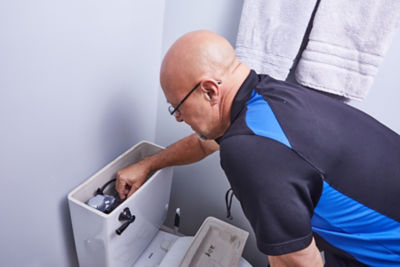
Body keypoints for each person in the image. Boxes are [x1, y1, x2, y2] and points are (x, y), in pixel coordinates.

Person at [115, 30, 400, 267]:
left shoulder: (250, 151)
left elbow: (299, 262)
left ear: (210, 91)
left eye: (178, 108)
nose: (180, 119)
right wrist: (149, 164)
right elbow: (205, 144)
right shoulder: (267, 97)